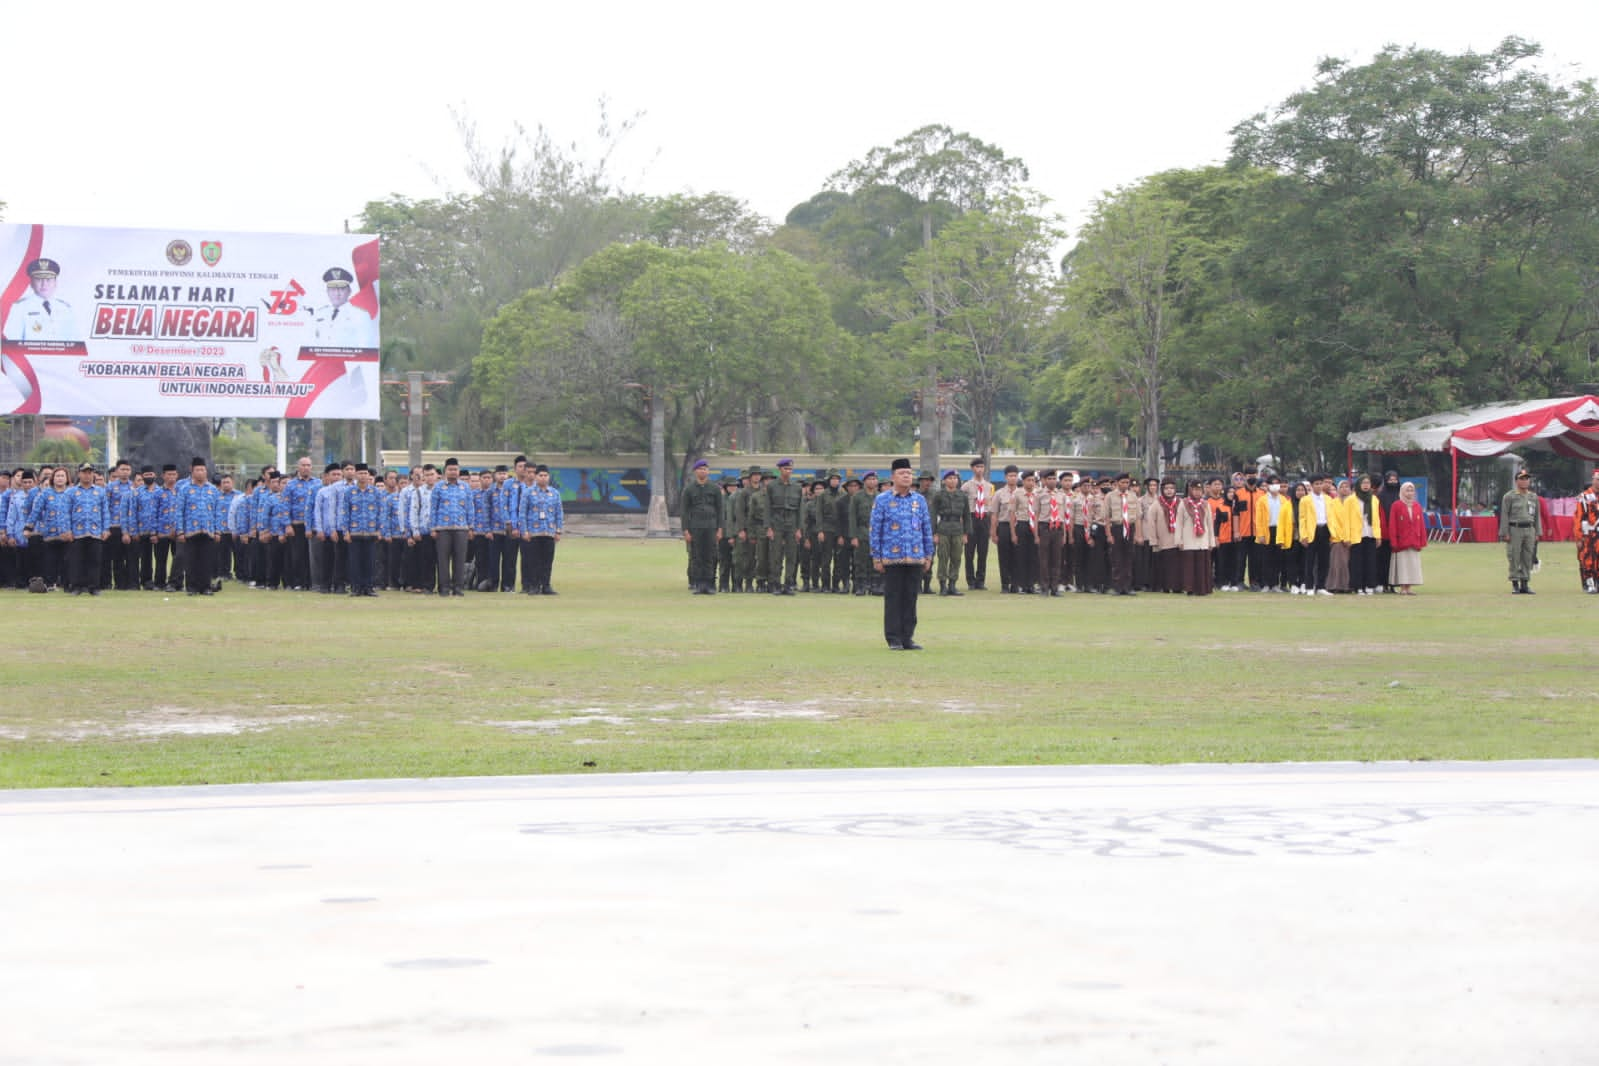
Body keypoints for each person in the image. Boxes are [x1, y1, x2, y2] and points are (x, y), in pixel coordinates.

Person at [870, 458, 934, 650]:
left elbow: (926, 528)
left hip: (915, 556)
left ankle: (908, 637)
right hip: (891, 557)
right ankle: (893, 638)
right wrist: (876, 556)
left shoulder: (919, 500)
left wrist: (929, 555)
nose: (906, 476)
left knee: (911, 598)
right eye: (901, 473)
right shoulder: (882, 500)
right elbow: (875, 529)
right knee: (893, 598)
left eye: (908, 473)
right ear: (893, 477)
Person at [174, 458, 222, 595]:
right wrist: (180, 531)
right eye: (197, 470)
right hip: (190, 531)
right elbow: (179, 511)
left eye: (203, 470)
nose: (200, 473)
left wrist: (218, 531)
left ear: (206, 471)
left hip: (208, 530)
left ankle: (206, 587)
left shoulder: (213, 490)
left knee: (206, 560)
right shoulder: (185, 489)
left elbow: (217, 512)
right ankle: (192, 587)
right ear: (192, 471)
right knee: (191, 560)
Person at [3, 258, 79, 342]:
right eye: (39, 279)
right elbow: (12, 343)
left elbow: (75, 341)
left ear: (55, 283)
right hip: (29, 354)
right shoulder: (19, 307)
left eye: (48, 280)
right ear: (31, 283)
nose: (44, 284)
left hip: (61, 355)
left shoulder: (65, 308)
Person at [63, 462, 110, 595]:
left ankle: (93, 587)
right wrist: (67, 530)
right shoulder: (71, 492)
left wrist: (106, 529)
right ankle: (76, 586)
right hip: (77, 532)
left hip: (95, 531)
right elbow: (65, 512)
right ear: (79, 474)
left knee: (95, 560)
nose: (87, 475)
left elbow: (105, 512)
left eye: (90, 472)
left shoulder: (100, 492)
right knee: (76, 560)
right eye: (84, 472)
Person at [339, 464, 384, 596]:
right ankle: (356, 588)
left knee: (370, 561)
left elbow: (380, 512)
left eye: (365, 473)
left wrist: (379, 530)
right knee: (354, 562)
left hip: (371, 532)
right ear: (356, 475)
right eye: (360, 473)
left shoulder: (375, 492)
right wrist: (345, 531)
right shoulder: (349, 492)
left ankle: (369, 587)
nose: (363, 476)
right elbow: (345, 513)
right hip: (354, 532)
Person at [519, 464, 563, 595]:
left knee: (547, 561)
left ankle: (546, 586)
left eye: (545, 475)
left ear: (549, 477)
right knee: (533, 561)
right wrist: (524, 530)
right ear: (536, 477)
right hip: (533, 532)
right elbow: (522, 513)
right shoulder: (528, 492)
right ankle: (533, 586)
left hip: (549, 532)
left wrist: (558, 530)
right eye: (540, 475)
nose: (543, 478)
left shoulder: (554, 493)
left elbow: (558, 513)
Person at [681, 460, 722, 595]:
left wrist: (720, 528)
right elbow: (684, 511)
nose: (703, 471)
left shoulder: (715, 488)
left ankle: (710, 584)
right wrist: (686, 530)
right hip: (695, 527)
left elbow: (720, 510)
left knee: (710, 555)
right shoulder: (689, 489)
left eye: (705, 469)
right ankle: (699, 584)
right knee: (697, 555)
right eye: (700, 469)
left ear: (708, 471)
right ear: (695, 472)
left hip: (711, 526)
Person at [765, 459, 804, 595]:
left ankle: (788, 584)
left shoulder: (797, 487)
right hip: (776, 523)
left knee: (791, 556)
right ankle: (775, 584)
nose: (788, 471)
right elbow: (767, 508)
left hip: (792, 523)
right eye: (786, 469)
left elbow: (800, 510)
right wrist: (768, 527)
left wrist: (799, 528)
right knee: (776, 555)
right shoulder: (772, 486)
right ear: (780, 470)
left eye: (790, 469)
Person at [1500, 469, 1541, 594]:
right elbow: (1505, 515)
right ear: (1516, 481)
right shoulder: (1509, 496)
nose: (1524, 481)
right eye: (1522, 479)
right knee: (1514, 556)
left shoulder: (1533, 497)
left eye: (1526, 478)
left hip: (1529, 529)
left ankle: (1525, 583)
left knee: (1527, 557)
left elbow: (1537, 516)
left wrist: (1538, 532)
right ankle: (1515, 584)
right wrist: (1505, 532)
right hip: (1515, 529)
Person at [930, 469, 971, 596]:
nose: (953, 480)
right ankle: (942, 585)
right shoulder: (939, 495)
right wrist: (934, 533)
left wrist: (966, 533)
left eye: (955, 478)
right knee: (943, 557)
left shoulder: (962, 496)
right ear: (944, 481)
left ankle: (952, 585)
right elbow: (933, 514)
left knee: (956, 558)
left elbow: (967, 515)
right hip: (943, 528)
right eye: (950, 478)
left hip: (958, 529)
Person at [1387, 482, 1426, 595]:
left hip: (1414, 541)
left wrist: (1422, 541)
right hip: (1401, 542)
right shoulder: (1396, 505)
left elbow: (1421, 525)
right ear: (1402, 491)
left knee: (1412, 565)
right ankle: (1403, 588)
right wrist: (1394, 541)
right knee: (1402, 565)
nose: (1410, 493)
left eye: (1412, 490)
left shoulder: (1417, 506)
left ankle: (1409, 588)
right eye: (1407, 490)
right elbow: (1393, 524)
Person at [961, 458, 994, 590]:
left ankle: (980, 580)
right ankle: (971, 581)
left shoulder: (990, 487)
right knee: (969, 552)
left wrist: (991, 527)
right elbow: (962, 507)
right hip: (971, 517)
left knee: (983, 551)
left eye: (981, 467)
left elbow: (990, 507)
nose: (979, 469)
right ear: (972, 468)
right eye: (977, 467)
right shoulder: (966, 486)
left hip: (984, 518)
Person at [1577, 468, 1599, 594]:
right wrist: (1579, 537)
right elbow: (1578, 518)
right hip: (1589, 534)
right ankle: (1589, 583)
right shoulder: (1584, 497)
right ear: (1593, 480)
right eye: (1597, 480)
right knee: (1588, 559)